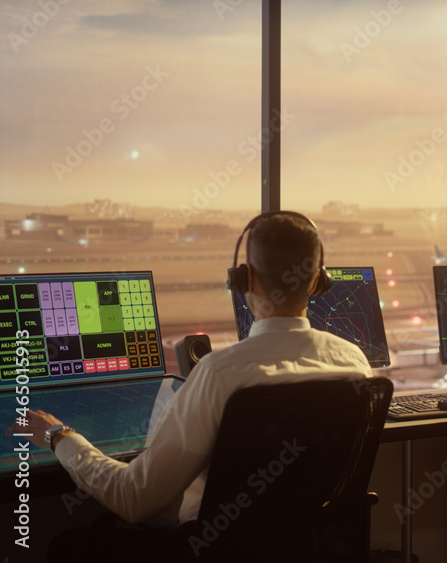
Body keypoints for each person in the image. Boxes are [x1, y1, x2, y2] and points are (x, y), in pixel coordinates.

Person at [7, 212, 372, 560]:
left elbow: (133, 499)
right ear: (316, 281)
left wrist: (58, 435)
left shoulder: (220, 374)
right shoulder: (353, 363)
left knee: (70, 544)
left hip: (208, 551)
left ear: (246, 280)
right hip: (301, 549)